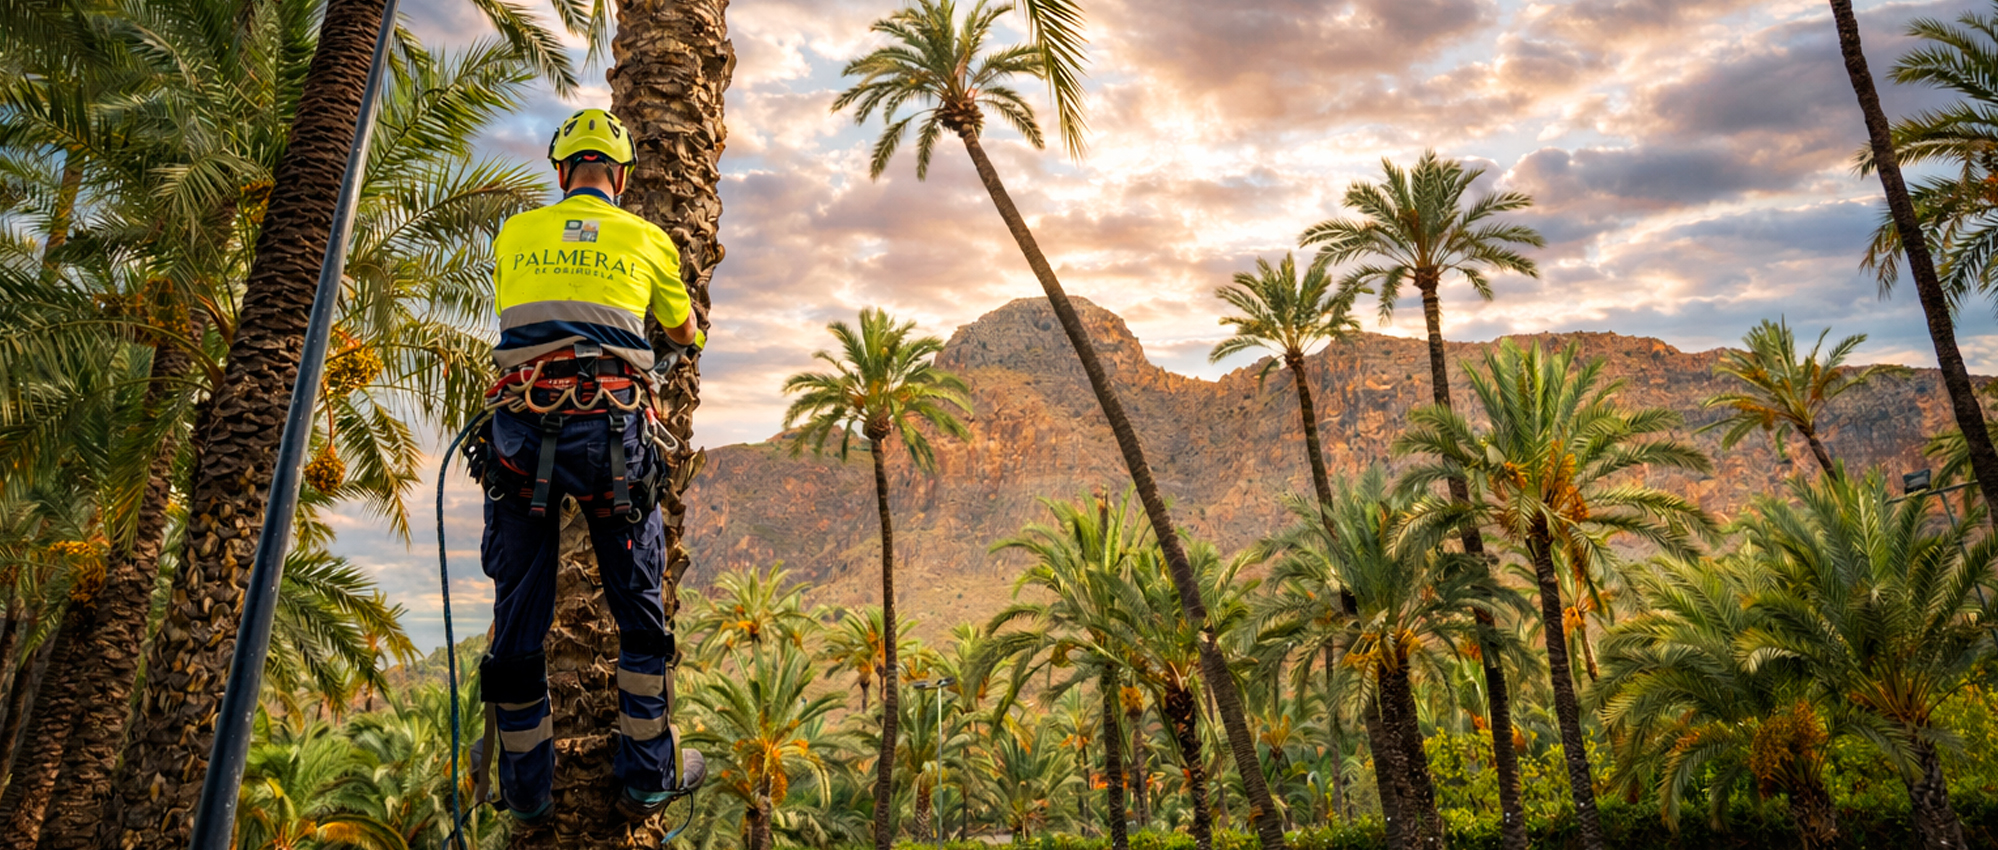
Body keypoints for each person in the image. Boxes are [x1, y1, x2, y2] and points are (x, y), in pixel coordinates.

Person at [470, 106, 706, 824]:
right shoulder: (647, 239)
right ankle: (645, 778)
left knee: (519, 623)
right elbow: (685, 333)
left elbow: (524, 314)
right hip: (611, 442)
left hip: (521, 439)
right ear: (622, 176)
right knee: (640, 614)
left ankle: (528, 794)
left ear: (562, 171)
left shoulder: (516, 233)